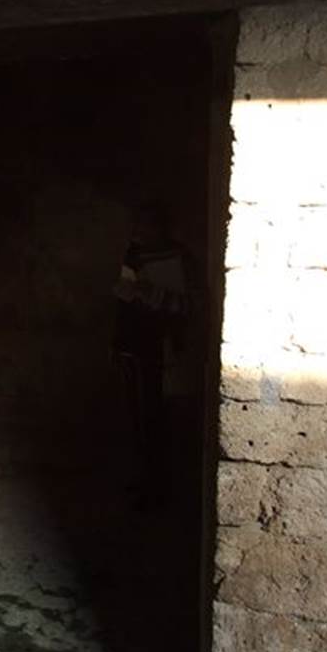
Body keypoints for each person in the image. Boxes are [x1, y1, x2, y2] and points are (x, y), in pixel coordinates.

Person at [113, 201, 191, 507]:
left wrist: (148, 294)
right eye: (138, 225)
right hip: (133, 347)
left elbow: (186, 306)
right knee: (138, 417)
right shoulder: (134, 254)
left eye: (146, 225)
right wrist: (117, 343)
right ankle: (145, 479)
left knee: (158, 418)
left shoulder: (179, 258)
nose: (140, 231)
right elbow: (123, 296)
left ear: (160, 227)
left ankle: (160, 487)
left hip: (162, 350)